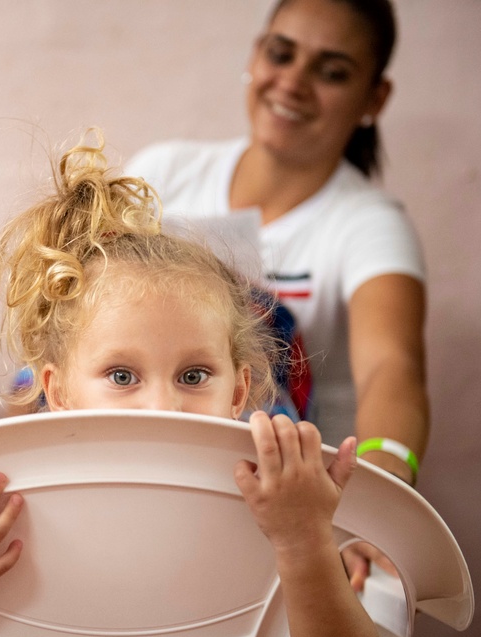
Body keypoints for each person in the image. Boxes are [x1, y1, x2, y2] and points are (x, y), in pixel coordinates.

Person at [0, 136, 379, 637]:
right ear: (56, 391)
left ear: (238, 391)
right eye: (121, 375)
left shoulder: (273, 507)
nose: (160, 404)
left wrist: (306, 542)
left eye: (193, 375)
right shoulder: (6, 507)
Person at [125, 0, 426, 589]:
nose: (292, 82)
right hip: (148, 481)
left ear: (375, 99)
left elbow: (394, 367)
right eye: (281, 54)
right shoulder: (164, 172)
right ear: (256, 55)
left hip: (291, 510)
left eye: (332, 71)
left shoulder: (369, 225)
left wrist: (381, 493)